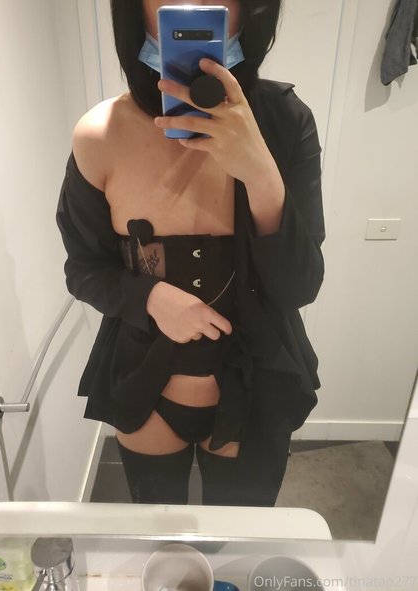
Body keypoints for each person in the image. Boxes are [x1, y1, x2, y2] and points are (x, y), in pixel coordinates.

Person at [56, 0, 325, 507]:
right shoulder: (99, 135)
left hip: (255, 384)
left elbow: (300, 285)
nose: (196, 3)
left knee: (239, 543)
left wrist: (260, 173)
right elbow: (84, 269)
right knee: (163, 545)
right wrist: (150, 298)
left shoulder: (287, 122)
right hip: (146, 388)